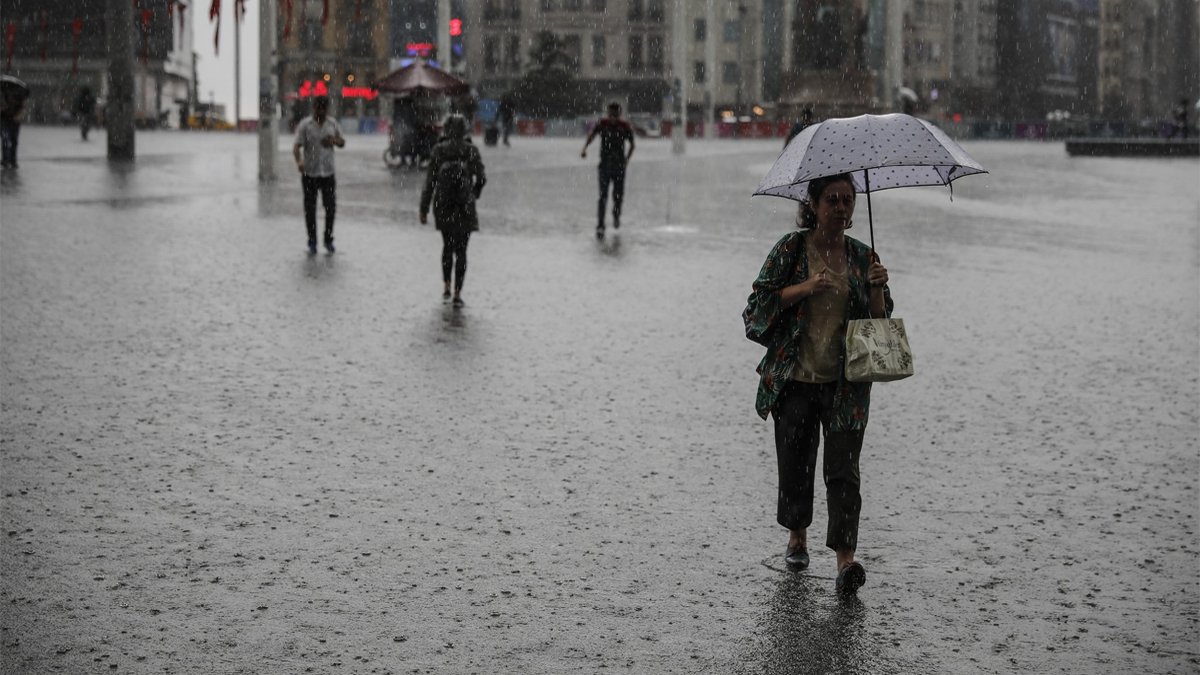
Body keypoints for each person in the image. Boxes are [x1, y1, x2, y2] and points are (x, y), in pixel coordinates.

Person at [742, 172, 892, 595]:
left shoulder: (863, 257)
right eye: (832, 200)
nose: (841, 208)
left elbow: (879, 326)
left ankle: (846, 560)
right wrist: (806, 287)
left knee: (844, 471)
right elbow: (758, 306)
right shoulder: (791, 250)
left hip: (846, 385)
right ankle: (797, 536)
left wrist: (877, 289)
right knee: (796, 462)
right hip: (795, 378)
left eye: (847, 200)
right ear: (813, 204)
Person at [420, 114, 486, 308]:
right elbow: (482, 178)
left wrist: (424, 208)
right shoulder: (471, 150)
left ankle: (446, 285)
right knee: (462, 250)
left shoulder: (439, 150)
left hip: (444, 204)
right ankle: (458, 292)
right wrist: (473, 194)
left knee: (447, 247)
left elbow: (430, 182)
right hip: (465, 205)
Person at [292, 96, 345, 255]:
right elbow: (296, 146)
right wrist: (299, 161)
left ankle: (328, 239)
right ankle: (312, 241)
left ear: (327, 109)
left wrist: (334, 141)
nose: (321, 112)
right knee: (310, 209)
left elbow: (342, 142)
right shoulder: (305, 125)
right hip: (310, 173)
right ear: (314, 108)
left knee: (330, 208)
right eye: (318, 109)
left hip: (328, 173)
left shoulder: (333, 123)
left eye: (324, 109)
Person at [581, 102, 635, 240]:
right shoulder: (602, 124)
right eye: (611, 115)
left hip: (619, 167)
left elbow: (632, 145)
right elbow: (592, 136)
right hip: (604, 166)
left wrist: (627, 160)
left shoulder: (624, 126)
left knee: (618, 196)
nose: (613, 118)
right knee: (602, 196)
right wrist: (584, 148)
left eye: (615, 115)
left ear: (619, 115)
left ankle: (616, 215)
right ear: (608, 114)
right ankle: (600, 225)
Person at [0, 85, 25, 169]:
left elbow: (22, 108)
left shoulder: (19, 97)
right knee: (5, 140)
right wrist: (4, 108)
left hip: (14, 121)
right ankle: (5, 160)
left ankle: (13, 160)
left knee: (14, 141)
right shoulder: (3, 96)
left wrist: (18, 115)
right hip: (4, 120)